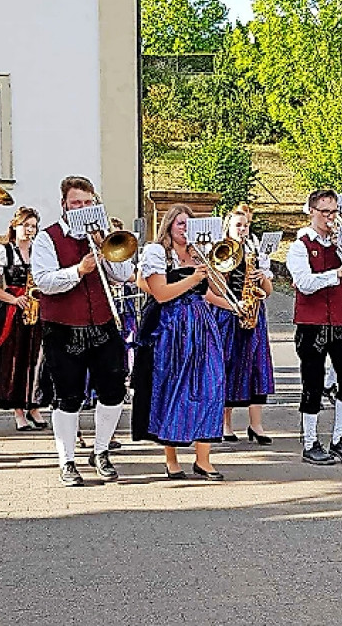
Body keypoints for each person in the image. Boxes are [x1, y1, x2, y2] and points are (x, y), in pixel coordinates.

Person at [30, 176, 133, 486]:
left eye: (88, 203)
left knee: (114, 391)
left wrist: (106, 245)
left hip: (102, 324)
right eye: (77, 203)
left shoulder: (103, 235)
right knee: (67, 397)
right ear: (64, 205)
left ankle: (101, 452)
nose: (83, 208)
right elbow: (44, 281)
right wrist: (79, 270)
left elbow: (124, 275)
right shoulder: (47, 238)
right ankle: (67, 460)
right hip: (62, 328)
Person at [132, 204, 227, 480]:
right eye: (180, 223)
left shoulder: (199, 253)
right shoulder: (157, 252)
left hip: (201, 324)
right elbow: (161, 294)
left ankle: (203, 459)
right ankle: (171, 459)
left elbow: (211, 292)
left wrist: (233, 304)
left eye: (189, 224)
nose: (185, 229)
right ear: (169, 226)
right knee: (172, 387)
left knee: (212, 385)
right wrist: (195, 277)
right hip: (169, 327)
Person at [286, 190, 342, 466]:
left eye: (334, 212)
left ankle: (339, 438)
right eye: (325, 212)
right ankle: (310, 442)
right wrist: (336, 274)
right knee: (313, 384)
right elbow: (304, 283)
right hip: (311, 323)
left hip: (340, 320)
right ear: (312, 211)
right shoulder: (299, 246)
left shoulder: (339, 245)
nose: (331, 218)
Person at [209, 204, 275, 445]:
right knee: (228, 364)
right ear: (228, 227)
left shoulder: (255, 251)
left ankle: (256, 424)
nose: (243, 229)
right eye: (238, 225)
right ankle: (225, 424)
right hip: (228, 314)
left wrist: (262, 278)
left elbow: (268, 291)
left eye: (246, 225)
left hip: (254, 312)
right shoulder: (221, 249)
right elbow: (214, 287)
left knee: (258, 366)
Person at [0, 206, 47, 431]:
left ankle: (34, 405)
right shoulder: (2, 251)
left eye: (33, 226)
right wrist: (13, 299)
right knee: (14, 359)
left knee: (35, 359)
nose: (30, 230)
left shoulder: (39, 251)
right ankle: (18, 410)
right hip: (12, 309)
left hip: (35, 309)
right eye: (26, 225)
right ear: (15, 226)